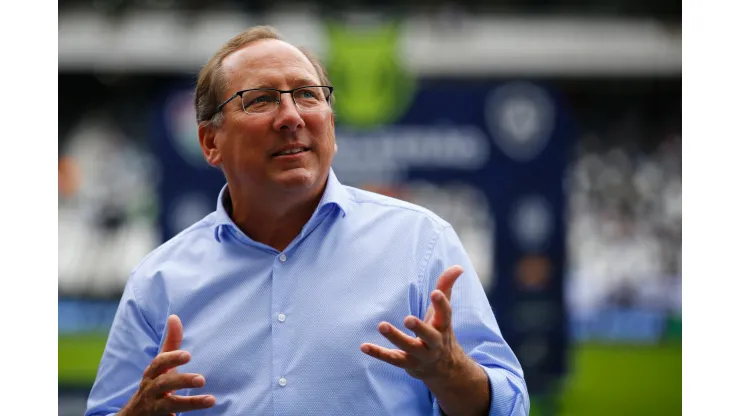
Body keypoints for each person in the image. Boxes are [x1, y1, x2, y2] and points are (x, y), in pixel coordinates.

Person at [85, 25, 529, 416]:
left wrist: (452, 373)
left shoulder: (420, 244)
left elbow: (510, 406)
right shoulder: (158, 281)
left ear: (330, 123)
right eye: (259, 100)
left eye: (307, 95)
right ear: (210, 142)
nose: (292, 117)